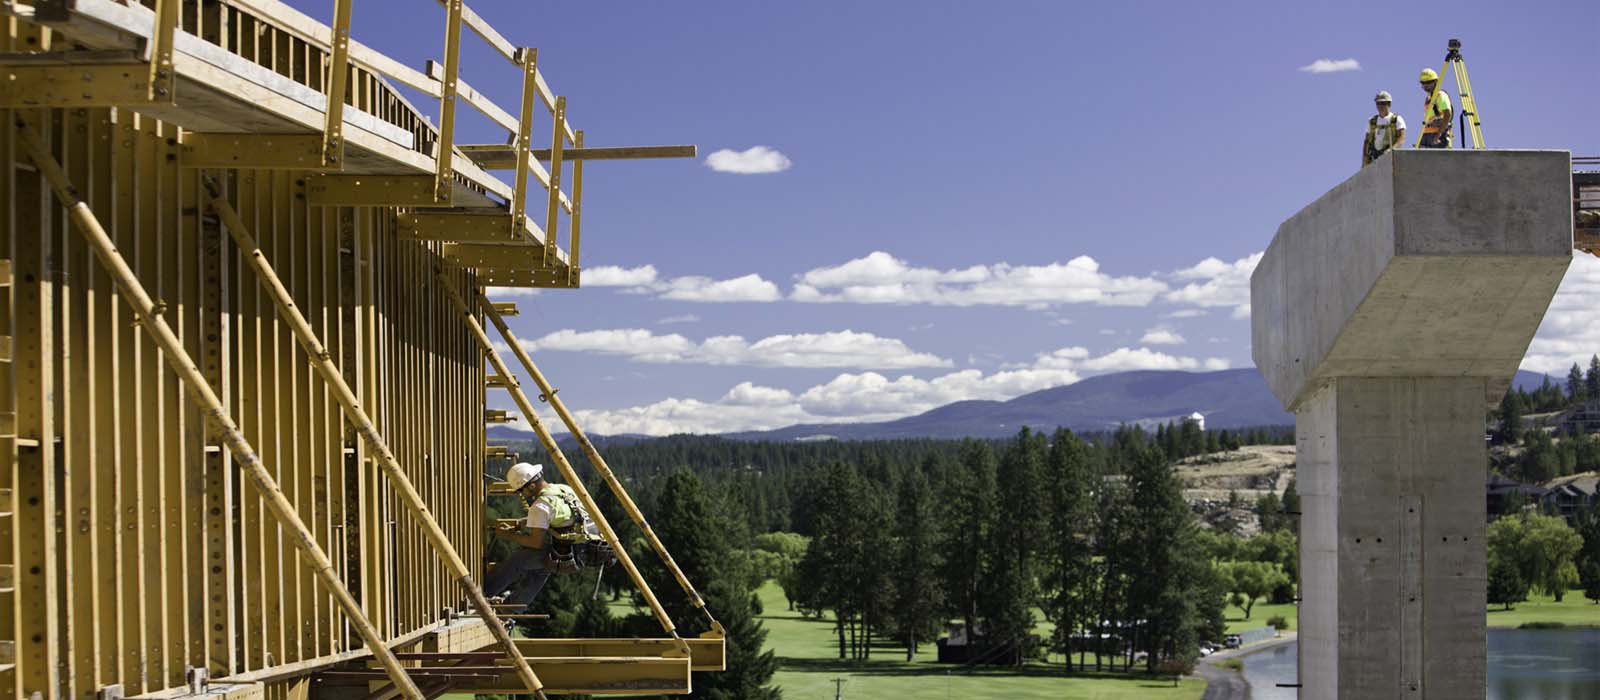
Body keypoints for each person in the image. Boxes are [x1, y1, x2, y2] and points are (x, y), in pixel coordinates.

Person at [482, 462, 611, 614]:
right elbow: (558, 517)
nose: (521, 495)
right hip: (584, 549)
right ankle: (512, 607)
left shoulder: (540, 505)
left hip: (570, 553)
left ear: (530, 486)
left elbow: (535, 542)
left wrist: (507, 535)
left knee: (518, 560)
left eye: (520, 491)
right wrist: (520, 524)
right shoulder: (563, 489)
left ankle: (482, 593)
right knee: (541, 567)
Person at [1362, 91, 1406, 167]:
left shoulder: (1396, 119)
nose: (1380, 106)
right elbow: (1367, 141)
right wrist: (1365, 159)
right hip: (1374, 156)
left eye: (1383, 103)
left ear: (1389, 104)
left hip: (1390, 156)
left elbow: (1401, 138)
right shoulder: (1372, 121)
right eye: (1378, 104)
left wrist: (1391, 150)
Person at [1418, 68, 1453, 148]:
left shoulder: (1440, 95)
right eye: (1423, 83)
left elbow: (1447, 114)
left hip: (1437, 135)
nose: (1425, 85)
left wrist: (1439, 134)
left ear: (1435, 82)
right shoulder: (1429, 98)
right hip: (1427, 134)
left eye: (1428, 82)